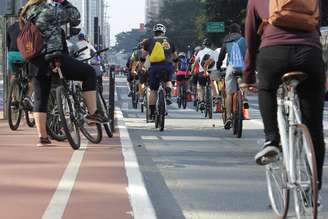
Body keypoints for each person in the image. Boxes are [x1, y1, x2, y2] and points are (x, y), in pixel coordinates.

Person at [243, 0, 325, 195]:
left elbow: (251, 40)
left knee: (266, 89)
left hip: (273, 53)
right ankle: (314, 189)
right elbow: (317, 25)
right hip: (310, 54)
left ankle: (271, 140)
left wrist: (248, 76)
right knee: (314, 127)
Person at [20, 0, 107, 146]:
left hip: (35, 61)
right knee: (89, 72)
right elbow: (75, 15)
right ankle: (92, 114)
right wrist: (64, 2)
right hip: (54, 57)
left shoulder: (27, 11)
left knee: (41, 98)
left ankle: (43, 138)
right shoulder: (50, 10)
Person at [142, 23, 178, 121]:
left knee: (153, 90)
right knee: (168, 81)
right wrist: (175, 66)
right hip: (167, 66)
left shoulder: (149, 41)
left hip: (154, 67)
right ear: (164, 32)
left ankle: (152, 113)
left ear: (154, 32)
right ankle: (169, 95)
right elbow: (175, 57)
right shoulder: (170, 41)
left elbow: (143, 56)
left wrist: (142, 66)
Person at [217, 23, 246, 128]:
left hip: (232, 67)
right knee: (243, 86)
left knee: (229, 93)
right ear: (240, 32)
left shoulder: (226, 40)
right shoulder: (244, 40)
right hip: (244, 67)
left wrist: (218, 66)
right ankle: (243, 99)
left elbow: (221, 56)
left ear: (230, 32)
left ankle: (228, 116)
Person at [6, 12, 34, 110]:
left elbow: (8, 44)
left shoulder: (10, 27)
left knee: (14, 75)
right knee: (32, 77)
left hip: (11, 55)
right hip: (25, 55)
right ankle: (28, 97)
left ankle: (14, 100)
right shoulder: (29, 27)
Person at [193, 38, 219, 111]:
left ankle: (201, 101)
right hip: (212, 72)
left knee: (200, 86)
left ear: (204, 45)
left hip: (202, 72)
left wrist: (191, 72)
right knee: (213, 82)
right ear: (211, 45)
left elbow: (195, 63)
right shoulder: (214, 52)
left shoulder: (200, 52)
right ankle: (215, 97)